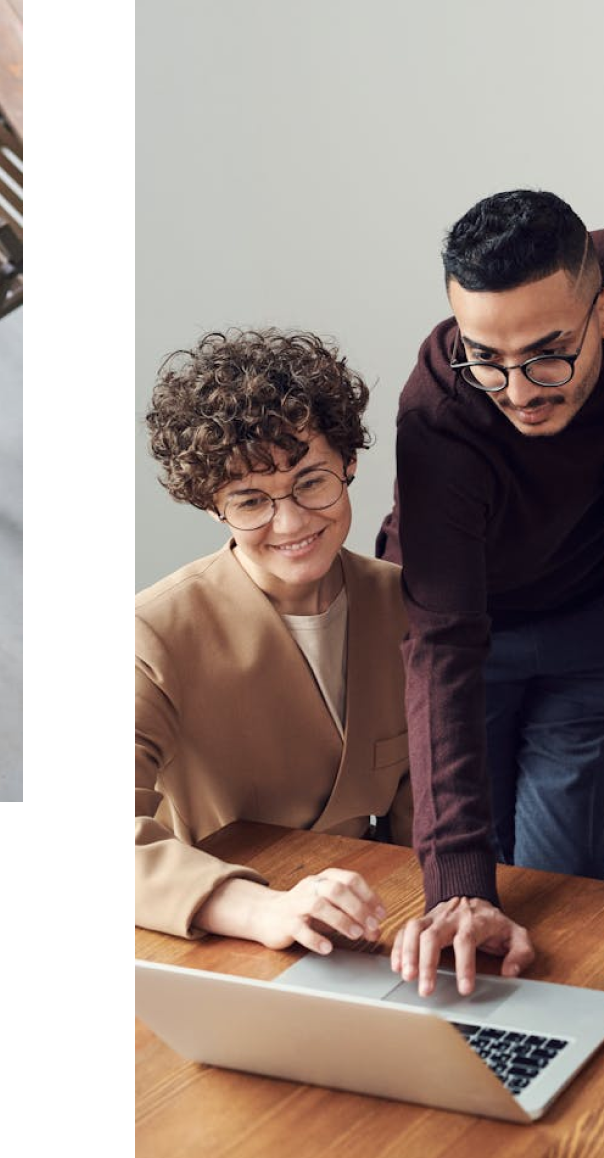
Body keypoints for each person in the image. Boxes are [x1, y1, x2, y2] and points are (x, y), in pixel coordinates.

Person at [375, 193, 604, 989]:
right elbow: (442, 641)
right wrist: (460, 889)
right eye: (487, 357)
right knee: (471, 896)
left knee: (557, 902)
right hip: (463, 631)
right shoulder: (441, 409)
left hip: (597, 617)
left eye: (549, 354)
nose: (517, 390)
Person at [136, 330, 414, 954]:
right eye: (250, 500)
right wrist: (260, 910)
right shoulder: (154, 632)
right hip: (216, 929)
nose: (290, 523)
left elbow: (423, 809)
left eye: (312, 481)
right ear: (212, 506)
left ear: (350, 463)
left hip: (376, 920)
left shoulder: (403, 605)